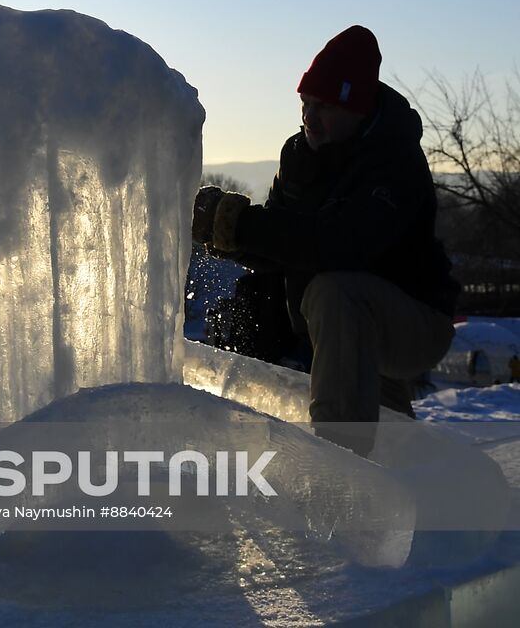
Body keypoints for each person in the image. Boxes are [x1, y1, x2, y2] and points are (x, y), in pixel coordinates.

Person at [192, 25, 458, 455]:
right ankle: (415, 486)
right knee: (393, 442)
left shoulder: (395, 162)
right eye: (305, 104)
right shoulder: (300, 158)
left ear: (358, 107)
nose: (309, 117)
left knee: (335, 293)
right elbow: (283, 249)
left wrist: (241, 225)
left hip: (415, 323)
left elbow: (340, 245)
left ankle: (339, 467)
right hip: (348, 327)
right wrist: (225, 235)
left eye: (325, 106)